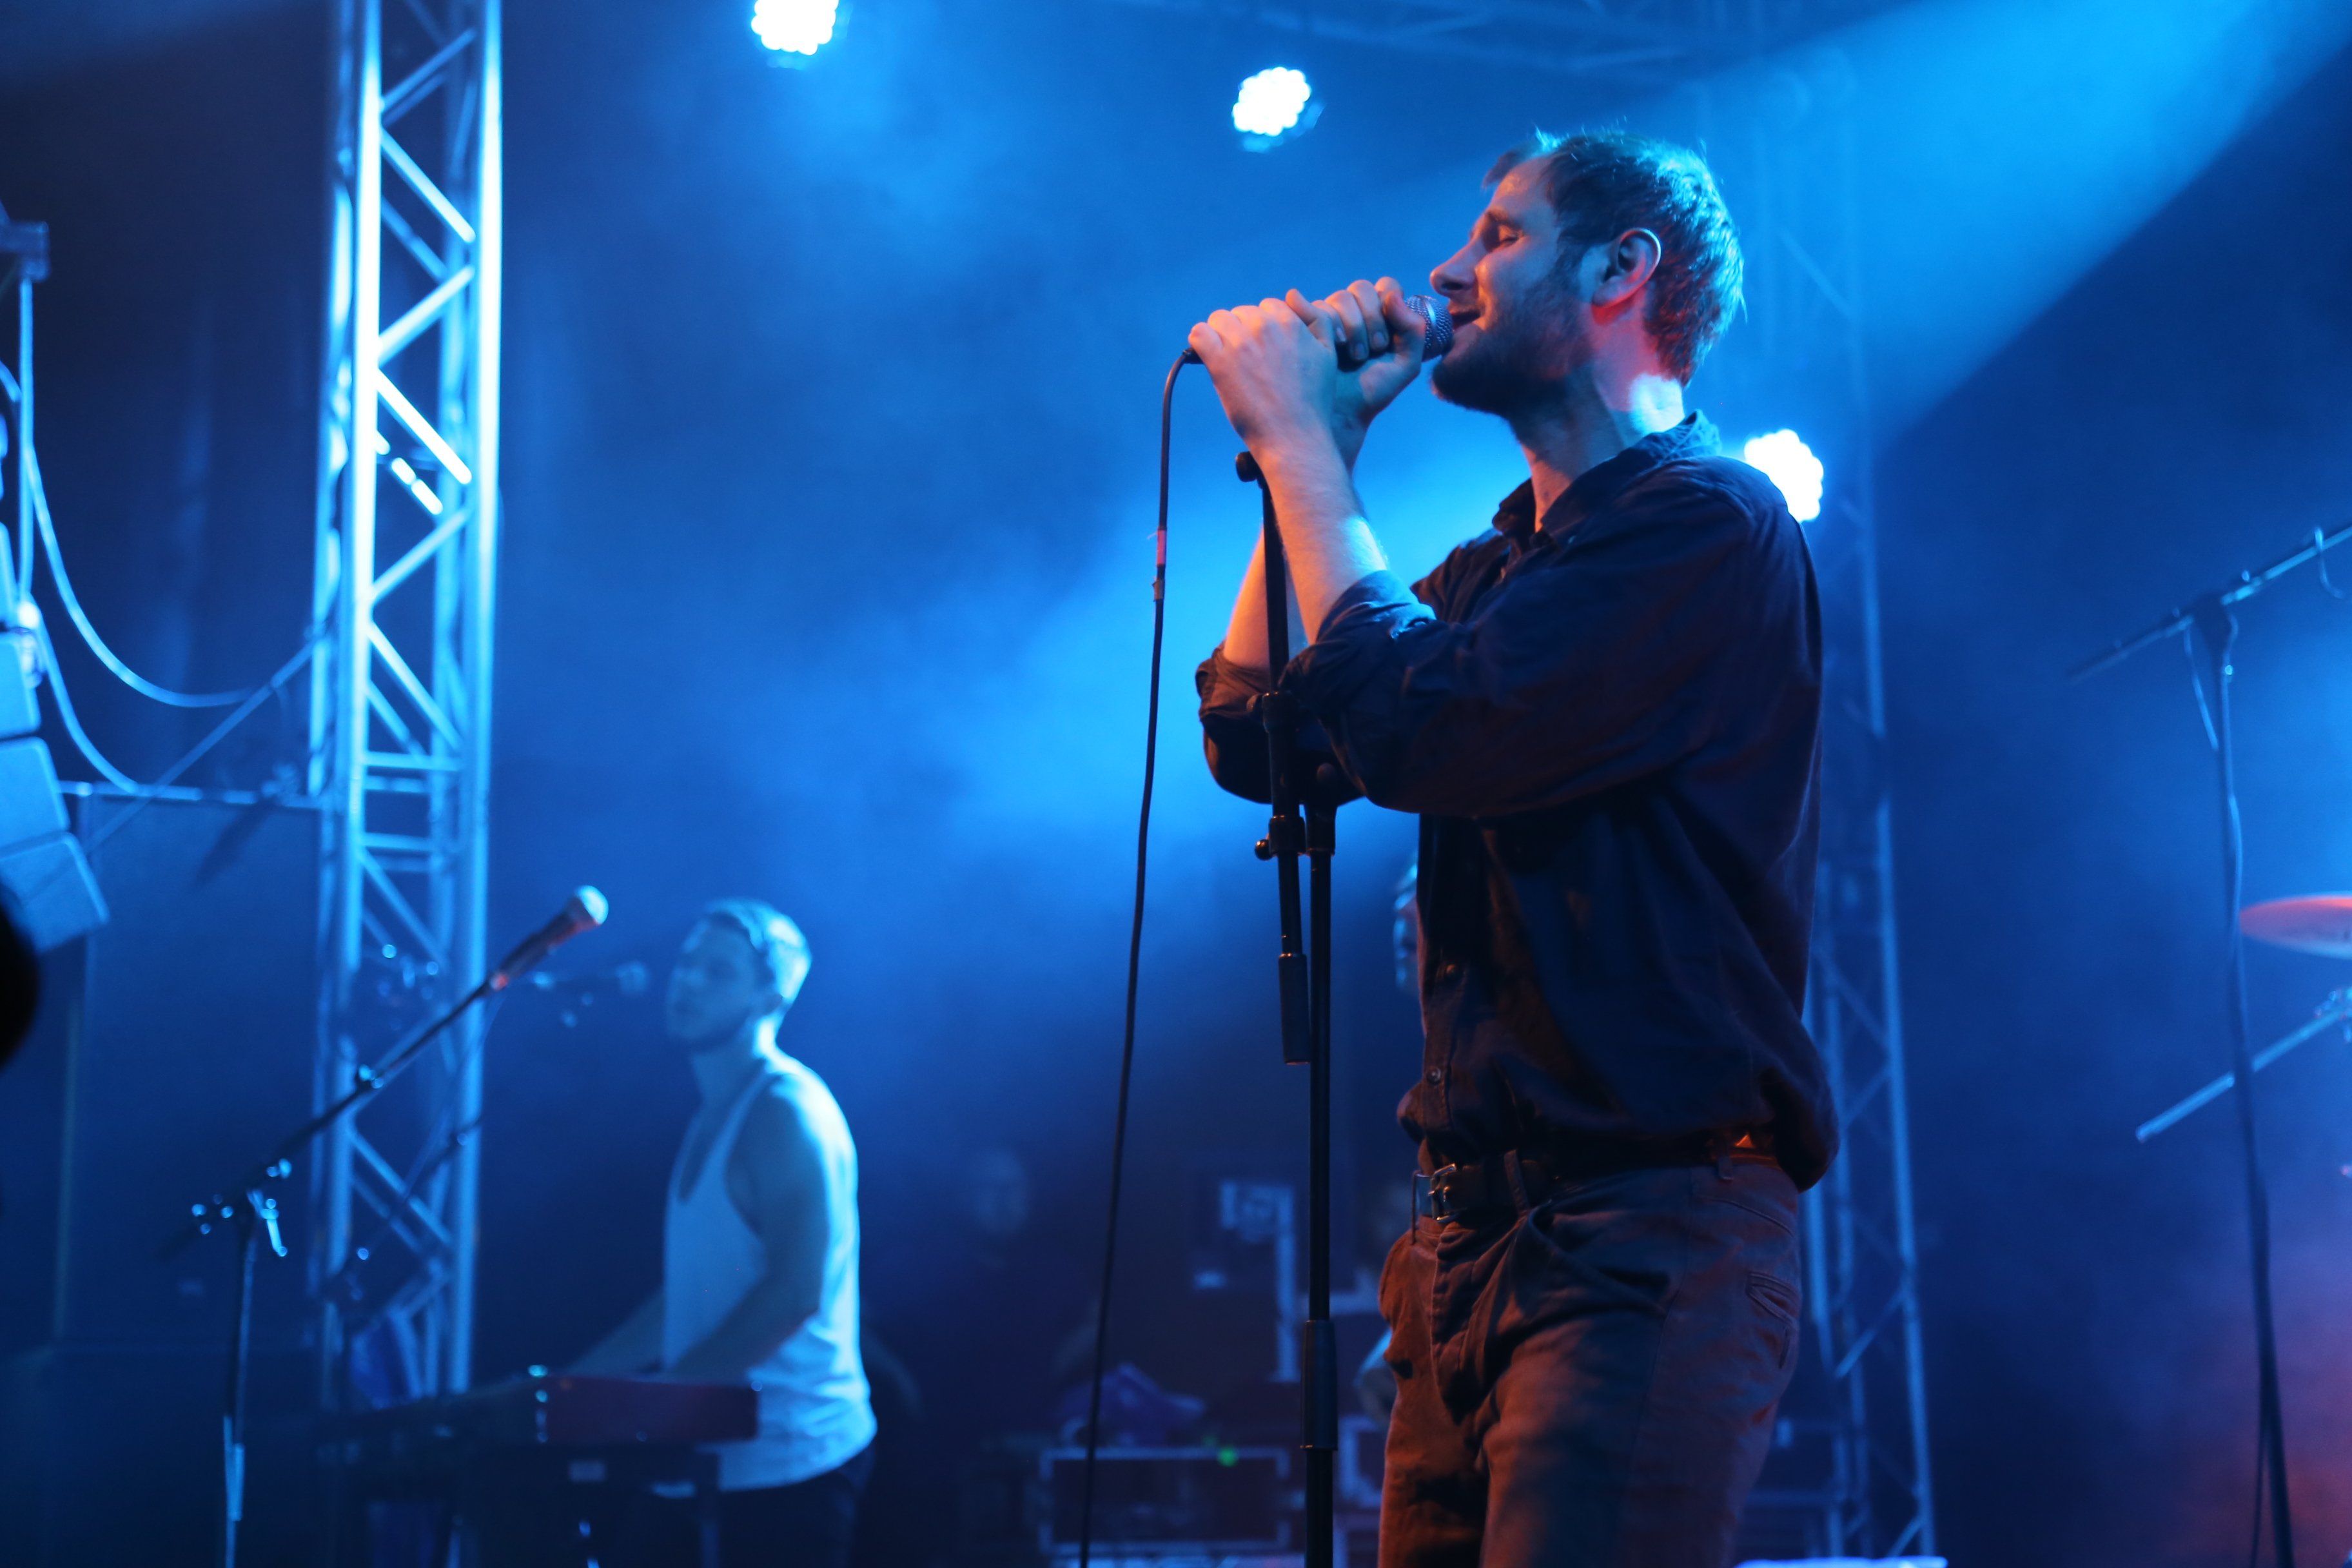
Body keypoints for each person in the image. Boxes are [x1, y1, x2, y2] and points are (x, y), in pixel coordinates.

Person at [1188, 130, 1832, 1567]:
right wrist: (1316, 458)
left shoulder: (1707, 523)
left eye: (1497, 235)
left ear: (1619, 269)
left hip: (1643, 1232)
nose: (1445, 271)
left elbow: (1427, 727)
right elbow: (1258, 738)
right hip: (1466, 1252)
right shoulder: (1493, 570)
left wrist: (1301, 449)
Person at [576, 901, 876, 1567]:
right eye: (686, 963)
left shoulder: (786, 1111)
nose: (687, 980)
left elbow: (795, 1292)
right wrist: (574, 1384)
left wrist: (660, 1401)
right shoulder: (710, 1116)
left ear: (772, 996)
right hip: (701, 1454)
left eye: (718, 971)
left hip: (789, 1463)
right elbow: (688, 1300)